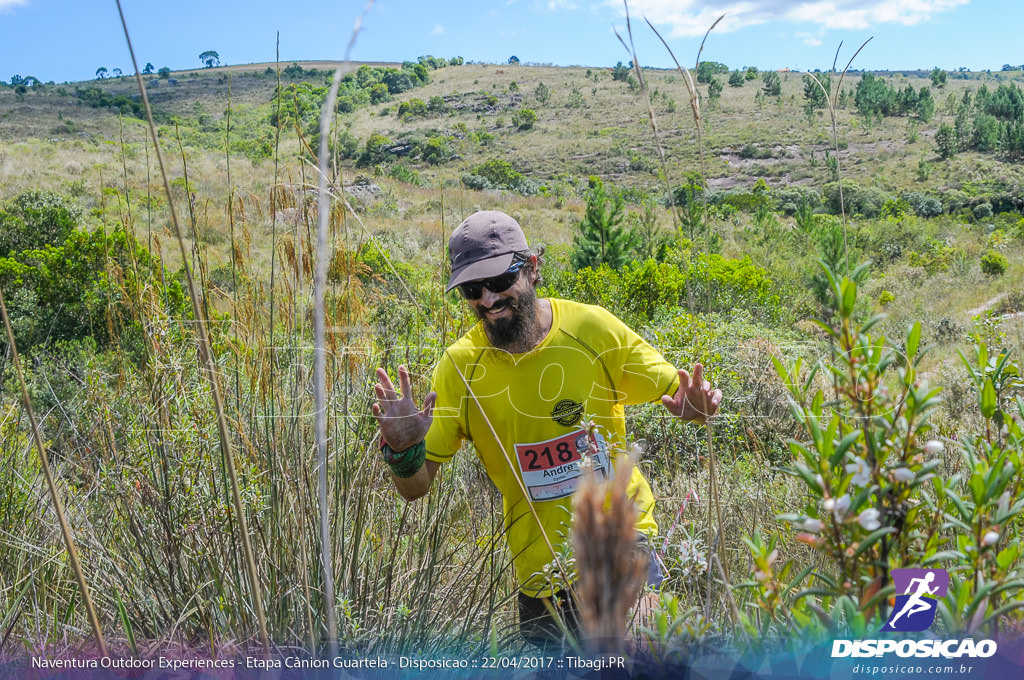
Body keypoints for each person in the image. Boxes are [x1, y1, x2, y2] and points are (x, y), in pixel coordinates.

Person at [372, 210, 721, 647]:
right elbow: (415, 488)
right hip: (540, 574)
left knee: (631, 652)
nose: (487, 299)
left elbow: (684, 396)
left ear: (532, 268)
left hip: (620, 536)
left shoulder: (591, 329)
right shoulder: (460, 367)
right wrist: (404, 451)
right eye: (471, 289)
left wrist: (697, 408)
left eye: (499, 281)